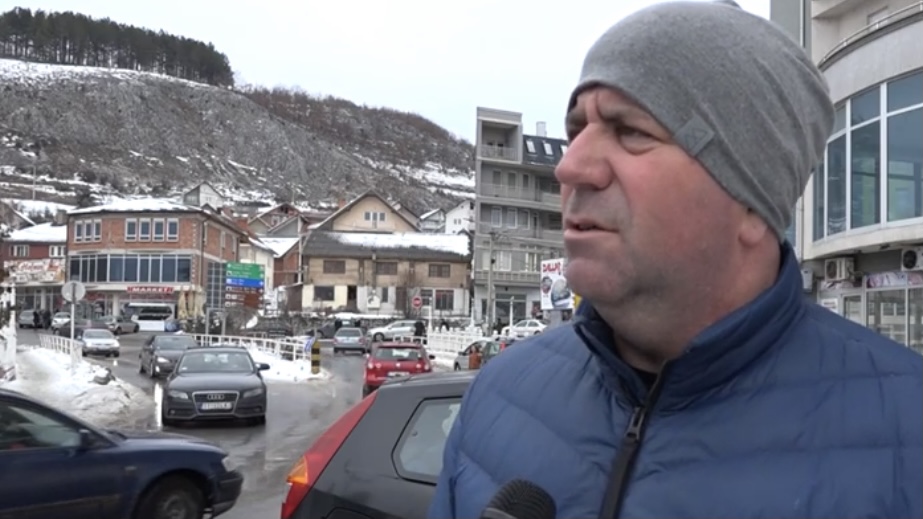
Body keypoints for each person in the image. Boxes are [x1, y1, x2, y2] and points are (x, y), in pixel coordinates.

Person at [428, 2, 923, 519]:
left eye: (631, 131)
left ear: (752, 203)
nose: (570, 167)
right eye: (578, 130)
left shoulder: (908, 436)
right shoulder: (498, 394)